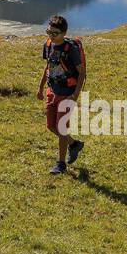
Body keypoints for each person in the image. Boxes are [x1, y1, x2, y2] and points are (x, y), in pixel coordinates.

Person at [37, 15, 86, 174]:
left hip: (67, 94)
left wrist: (75, 95)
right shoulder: (48, 45)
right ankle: (74, 144)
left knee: (61, 127)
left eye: (54, 33)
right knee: (51, 126)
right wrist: (40, 88)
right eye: (49, 32)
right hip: (52, 91)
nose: (51, 36)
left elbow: (81, 73)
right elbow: (48, 67)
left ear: (64, 33)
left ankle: (61, 164)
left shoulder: (70, 49)